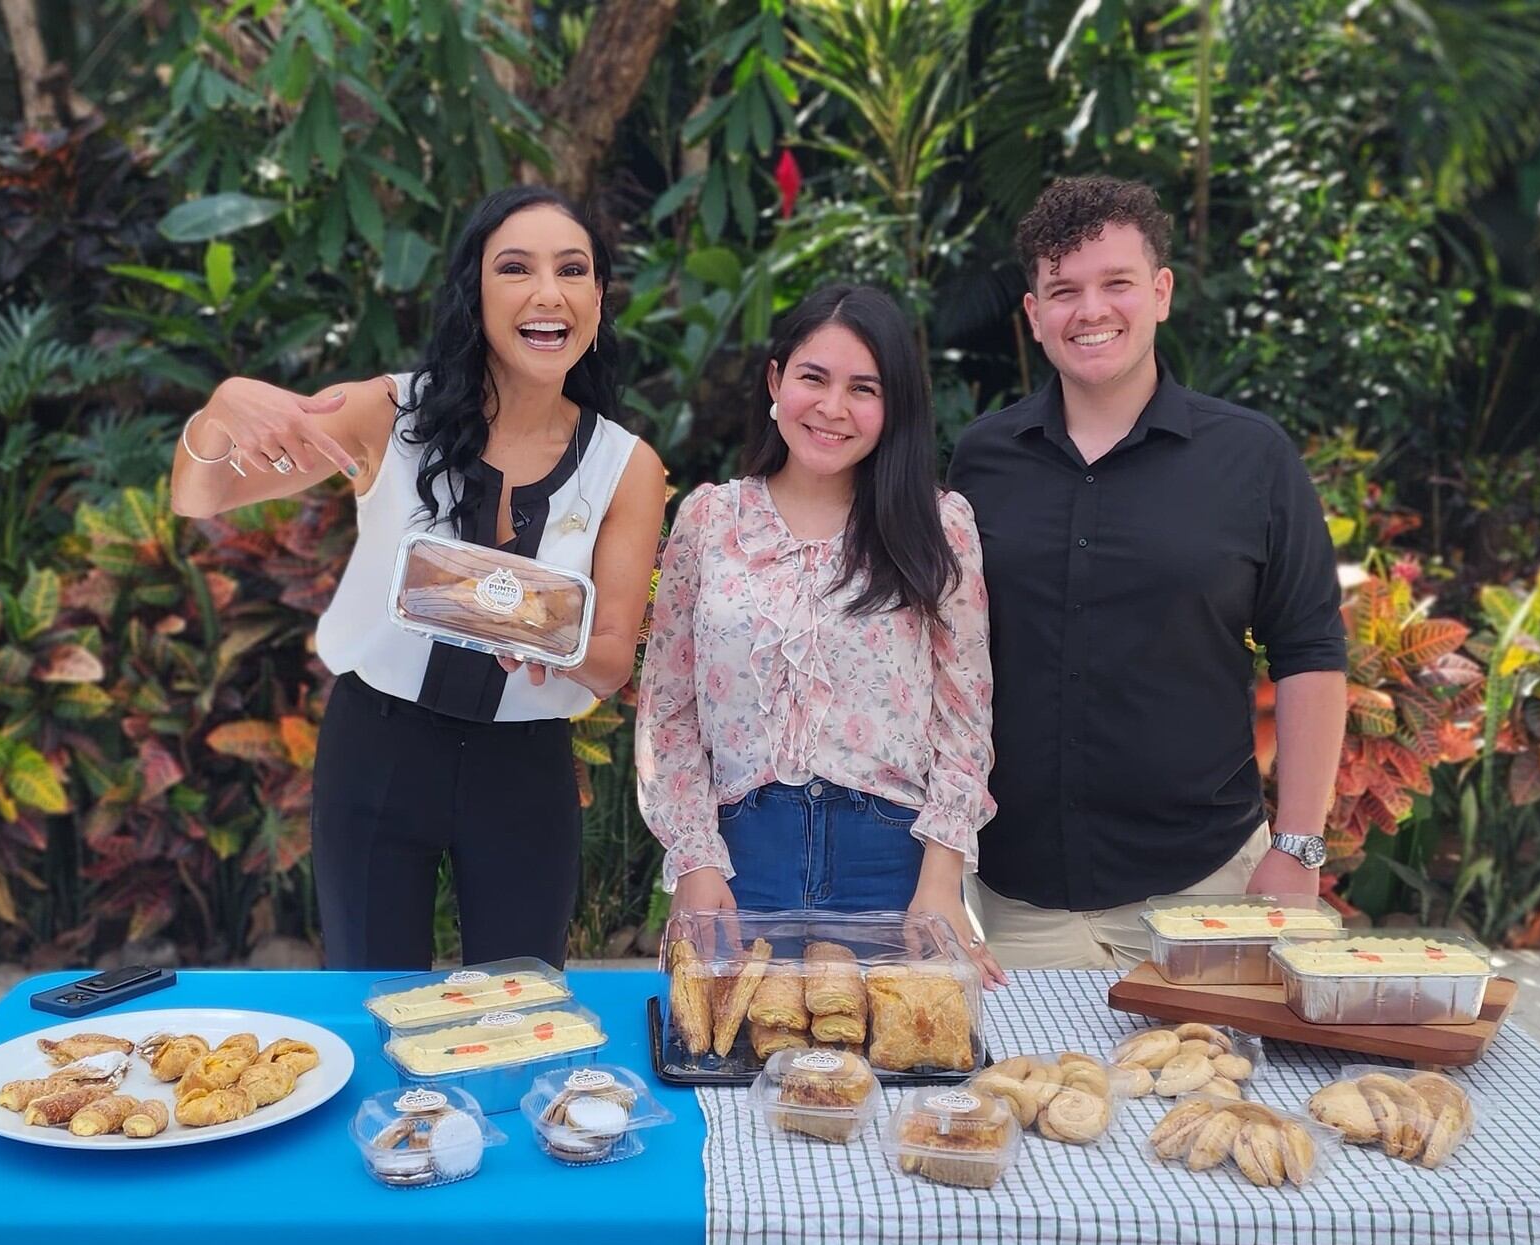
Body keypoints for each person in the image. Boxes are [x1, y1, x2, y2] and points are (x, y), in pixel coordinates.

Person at [170, 185, 668, 971]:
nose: (548, 293)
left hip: (523, 767)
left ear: (598, 302)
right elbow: (203, 497)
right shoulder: (389, 414)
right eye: (516, 268)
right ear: (474, 289)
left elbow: (611, 664)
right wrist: (222, 409)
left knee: (520, 1013)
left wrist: (551, 641)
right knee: (369, 1003)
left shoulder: (624, 466)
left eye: (573, 271)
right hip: (379, 747)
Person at [947, 175, 1350, 970]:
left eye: (1117, 283)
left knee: (1215, 1098)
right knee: (1037, 1098)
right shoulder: (981, 459)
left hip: (1206, 891)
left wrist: (1298, 849)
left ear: (1161, 293)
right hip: (1018, 903)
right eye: (1063, 290)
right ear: (1034, 315)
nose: (1090, 310)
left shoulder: (1253, 457)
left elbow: (1309, 650)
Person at [635, 284, 1004, 982]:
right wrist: (694, 857)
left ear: (892, 407)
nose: (833, 408)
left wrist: (941, 876)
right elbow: (668, 710)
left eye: (863, 388)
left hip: (894, 862)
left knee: (900, 1069)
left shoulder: (939, 525)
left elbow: (965, 711)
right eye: (813, 377)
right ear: (776, 380)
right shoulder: (709, 521)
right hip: (738, 861)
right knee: (730, 1061)